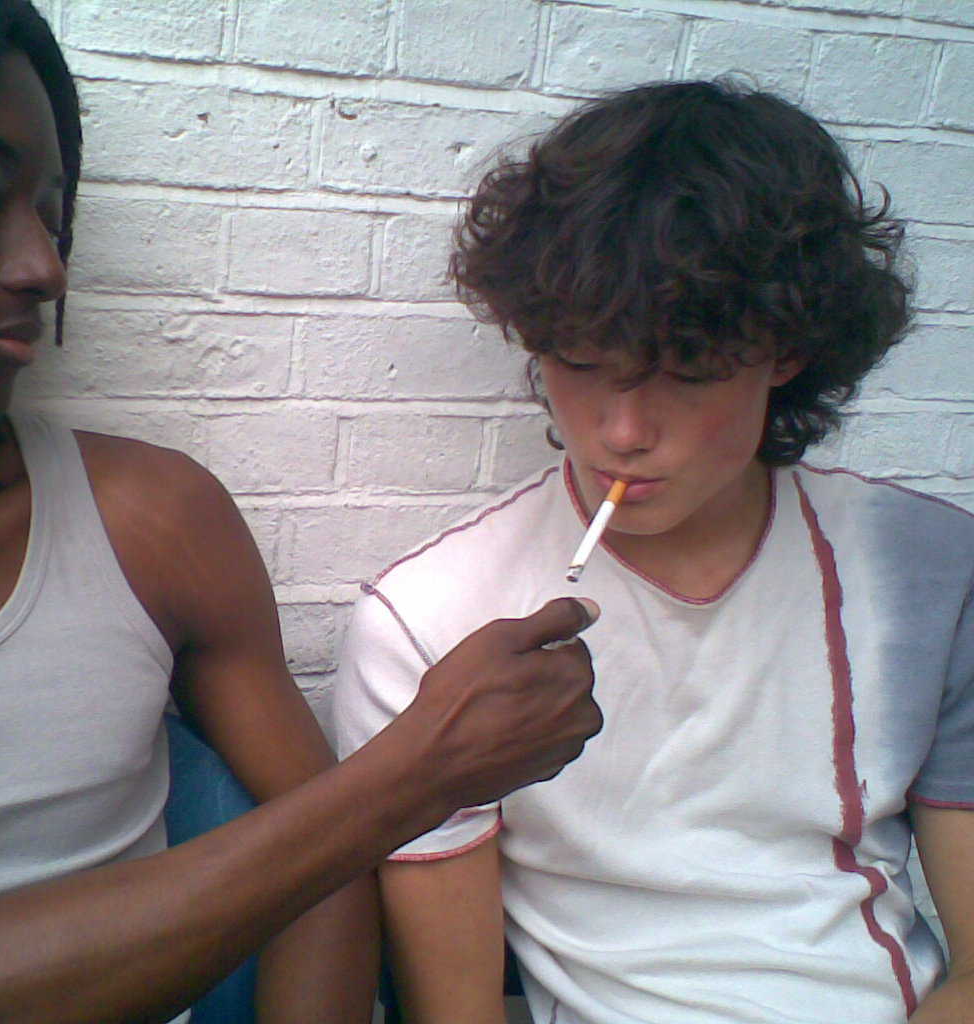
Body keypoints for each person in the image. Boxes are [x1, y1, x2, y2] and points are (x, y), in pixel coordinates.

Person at [0, 3, 606, 1023]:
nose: (43, 266)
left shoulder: (150, 521)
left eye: (53, 218)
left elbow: (322, 872)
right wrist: (416, 772)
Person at [333, 80, 974, 1024]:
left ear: (787, 351)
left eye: (688, 371)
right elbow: (456, 1012)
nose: (623, 432)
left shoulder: (927, 573)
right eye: (579, 361)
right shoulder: (431, 622)